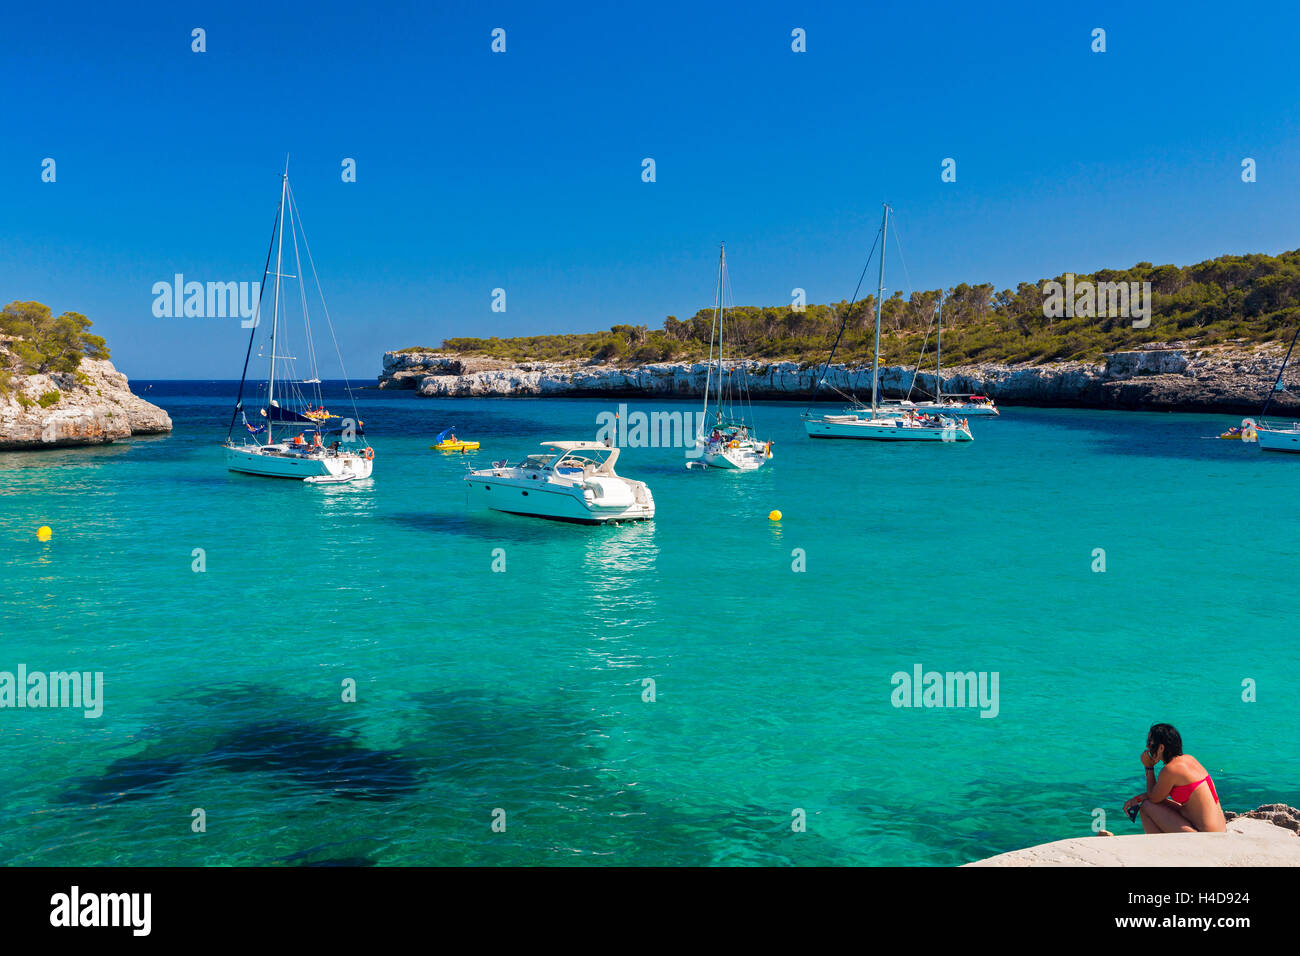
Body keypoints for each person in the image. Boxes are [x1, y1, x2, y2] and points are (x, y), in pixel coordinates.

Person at [1123, 723, 1226, 833]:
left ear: (1161, 747)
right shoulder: (1189, 759)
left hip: (1204, 837)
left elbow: (1154, 798)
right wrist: (1138, 798)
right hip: (1220, 831)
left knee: (1146, 807)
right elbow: (1159, 794)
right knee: (1150, 802)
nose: (1147, 747)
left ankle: (1160, 847)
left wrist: (1149, 767)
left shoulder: (1170, 769)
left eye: (1150, 743)